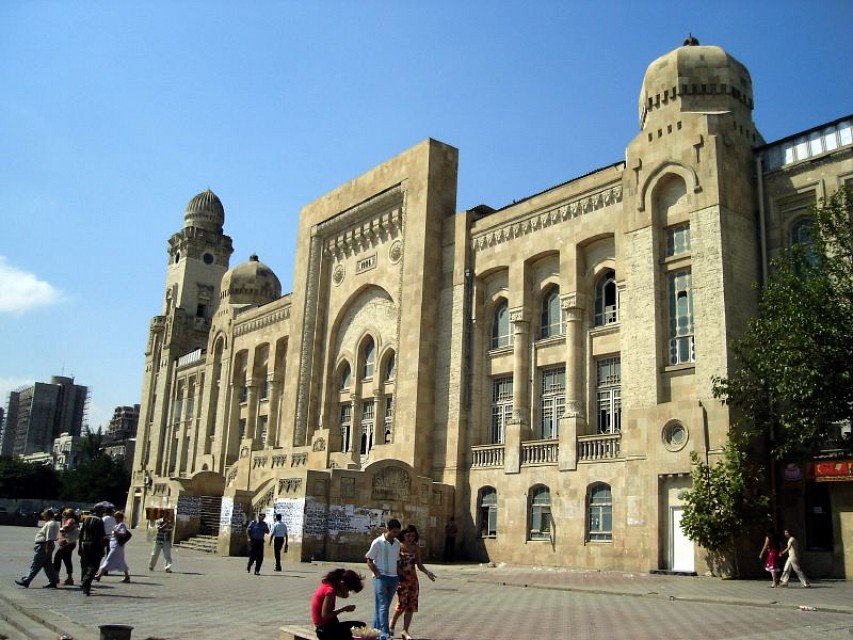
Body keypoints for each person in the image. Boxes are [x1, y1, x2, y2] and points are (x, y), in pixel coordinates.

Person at [390, 525, 436, 640]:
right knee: (401, 604)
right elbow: (393, 563)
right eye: (408, 535)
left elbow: (419, 565)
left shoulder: (416, 548)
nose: (410, 538)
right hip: (401, 580)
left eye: (413, 536)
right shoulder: (397, 546)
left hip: (412, 580)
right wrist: (399, 573)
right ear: (403, 535)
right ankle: (391, 625)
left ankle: (405, 631)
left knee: (411, 606)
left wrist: (428, 573)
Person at [365, 518, 402, 640]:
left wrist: (398, 575)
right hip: (380, 578)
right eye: (394, 532)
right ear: (388, 529)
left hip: (393, 578)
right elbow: (369, 559)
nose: (396, 535)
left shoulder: (397, 544)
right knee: (383, 605)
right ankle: (384, 633)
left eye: (397, 532)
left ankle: (374, 630)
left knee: (382, 606)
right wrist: (377, 573)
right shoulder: (377, 542)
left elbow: (397, 560)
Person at [311, 568, 366, 640]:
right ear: (343, 584)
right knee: (360, 628)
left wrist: (345, 589)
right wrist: (344, 609)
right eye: (348, 589)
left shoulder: (329, 585)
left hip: (326, 627)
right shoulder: (330, 592)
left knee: (360, 627)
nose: (348, 591)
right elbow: (325, 616)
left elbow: (345, 596)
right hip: (325, 631)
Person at [15, 508, 61, 588]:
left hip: (44, 545)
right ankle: (53, 581)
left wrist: (47, 548)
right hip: (46, 545)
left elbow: (49, 537)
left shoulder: (50, 524)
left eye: (44, 516)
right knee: (48, 565)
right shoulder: (53, 523)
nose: (43, 518)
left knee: (36, 564)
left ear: (48, 516)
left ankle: (26, 580)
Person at [95, 510, 131, 583]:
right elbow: (113, 536)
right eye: (115, 517)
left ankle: (99, 575)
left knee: (108, 559)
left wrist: (116, 532)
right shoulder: (116, 525)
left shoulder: (121, 525)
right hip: (114, 545)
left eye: (116, 517)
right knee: (121, 561)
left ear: (120, 518)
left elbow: (123, 534)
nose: (115, 519)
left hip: (116, 546)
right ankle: (127, 577)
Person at [78, 504, 107, 596]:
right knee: (94, 566)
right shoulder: (99, 520)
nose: (104, 511)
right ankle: (86, 583)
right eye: (103, 510)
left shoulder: (86, 518)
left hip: (85, 543)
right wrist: (102, 549)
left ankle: (84, 583)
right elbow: (101, 537)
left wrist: (80, 546)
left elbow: (81, 533)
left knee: (85, 564)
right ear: (98, 510)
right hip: (95, 544)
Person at [53, 508, 80, 585]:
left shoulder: (70, 520)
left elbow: (66, 528)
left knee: (57, 557)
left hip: (67, 543)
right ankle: (69, 578)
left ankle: (56, 576)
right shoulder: (66, 520)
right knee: (67, 560)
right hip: (68, 542)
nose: (63, 515)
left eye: (65, 513)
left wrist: (62, 529)